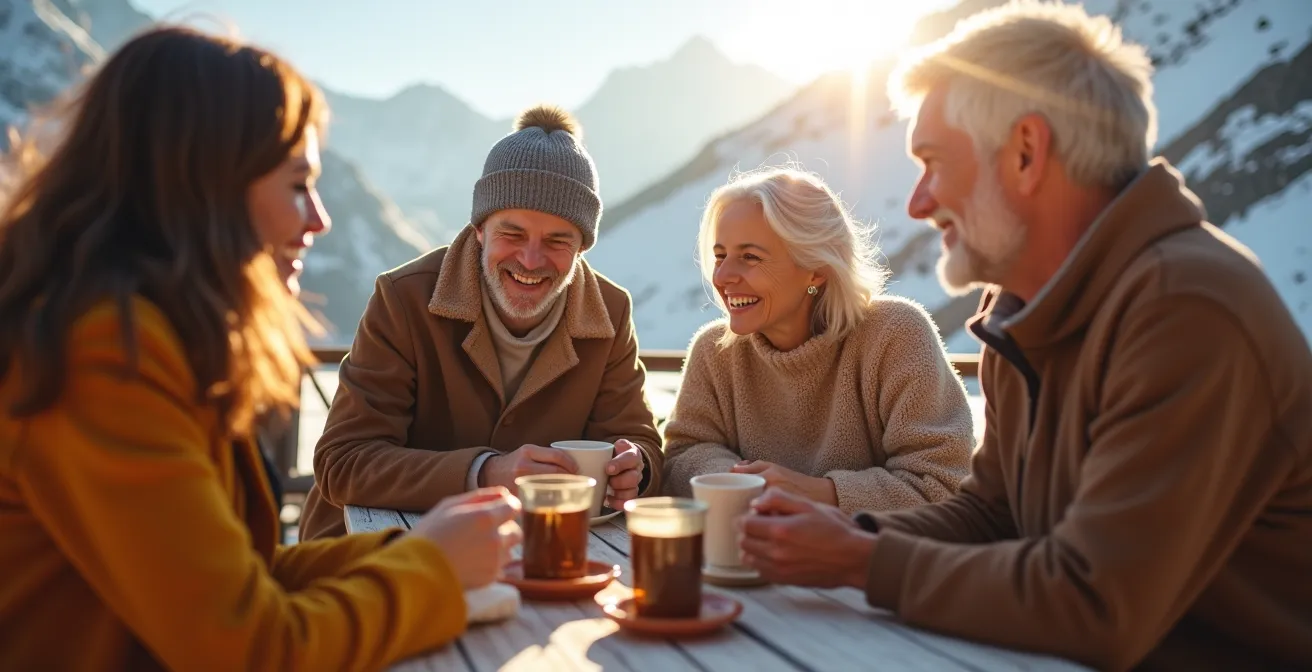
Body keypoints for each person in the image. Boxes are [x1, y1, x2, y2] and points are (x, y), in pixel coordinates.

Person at [735, 3, 1312, 670]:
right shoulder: (1022, 309)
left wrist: (862, 560)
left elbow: (1097, 602)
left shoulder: (1187, 308)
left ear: (1027, 154)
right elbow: (992, 514)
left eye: (932, 162)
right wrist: (850, 531)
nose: (918, 203)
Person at [0, 27, 520, 670]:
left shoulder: (150, 333)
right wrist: (433, 568)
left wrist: (413, 550)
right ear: (205, 187)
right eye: (299, 184)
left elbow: (239, 577)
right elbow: (248, 647)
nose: (320, 220)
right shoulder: (106, 355)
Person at [299, 105, 662, 540]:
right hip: (373, 549)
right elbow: (344, 462)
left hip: (531, 552)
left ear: (582, 247)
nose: (531, 259)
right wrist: (485, 473)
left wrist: (634, 469)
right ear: (479, 230)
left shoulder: (610, 311)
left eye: (557, 240)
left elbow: (640, 443)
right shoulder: (404, 298)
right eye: (512, 234)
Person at [662, 167, 973, 514]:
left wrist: (816, 493)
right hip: (746, 558)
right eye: (720, 256)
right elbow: (682, 455)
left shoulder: (896, 334)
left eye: (750, 257)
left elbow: (942, 484)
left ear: (816, 269)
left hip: (874, 563)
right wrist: (741, 484)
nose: (723, 276)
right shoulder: (713, 351)